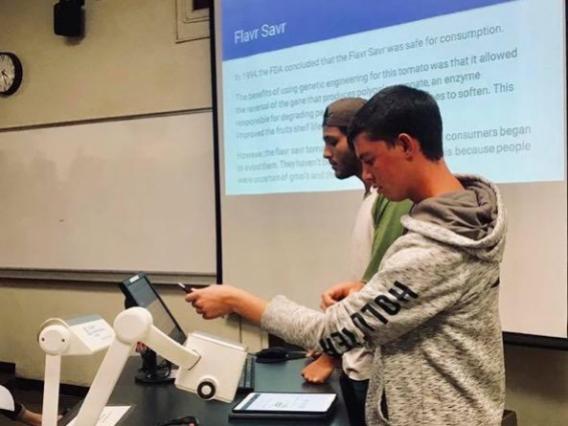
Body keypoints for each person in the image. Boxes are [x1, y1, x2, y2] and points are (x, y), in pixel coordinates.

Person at [185, 85, 507, 425]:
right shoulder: (468, 212)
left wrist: (237, 301)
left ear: (406, 145)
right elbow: (425, 292)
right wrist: (371, 291)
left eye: (370, 160)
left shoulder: (436, 248)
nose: (367, 175)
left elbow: (331, 332)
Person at [302, 97, 411, 426]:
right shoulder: (372, 196)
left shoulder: (391, 199)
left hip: (374, 374)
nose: (325, 153)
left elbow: (376, 296)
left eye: (331, 142)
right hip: (360, 364)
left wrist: (329, 355)